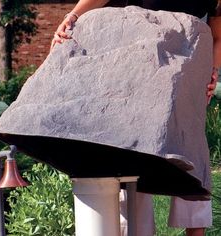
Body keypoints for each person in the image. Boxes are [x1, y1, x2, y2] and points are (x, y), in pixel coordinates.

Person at [51, 1, 221, 235]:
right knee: (135, 155)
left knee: (192, 157)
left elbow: (218, 34)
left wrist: (211, 70)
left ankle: (195, 232)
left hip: (185, 69)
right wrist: (73, 15)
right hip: (139, 64)